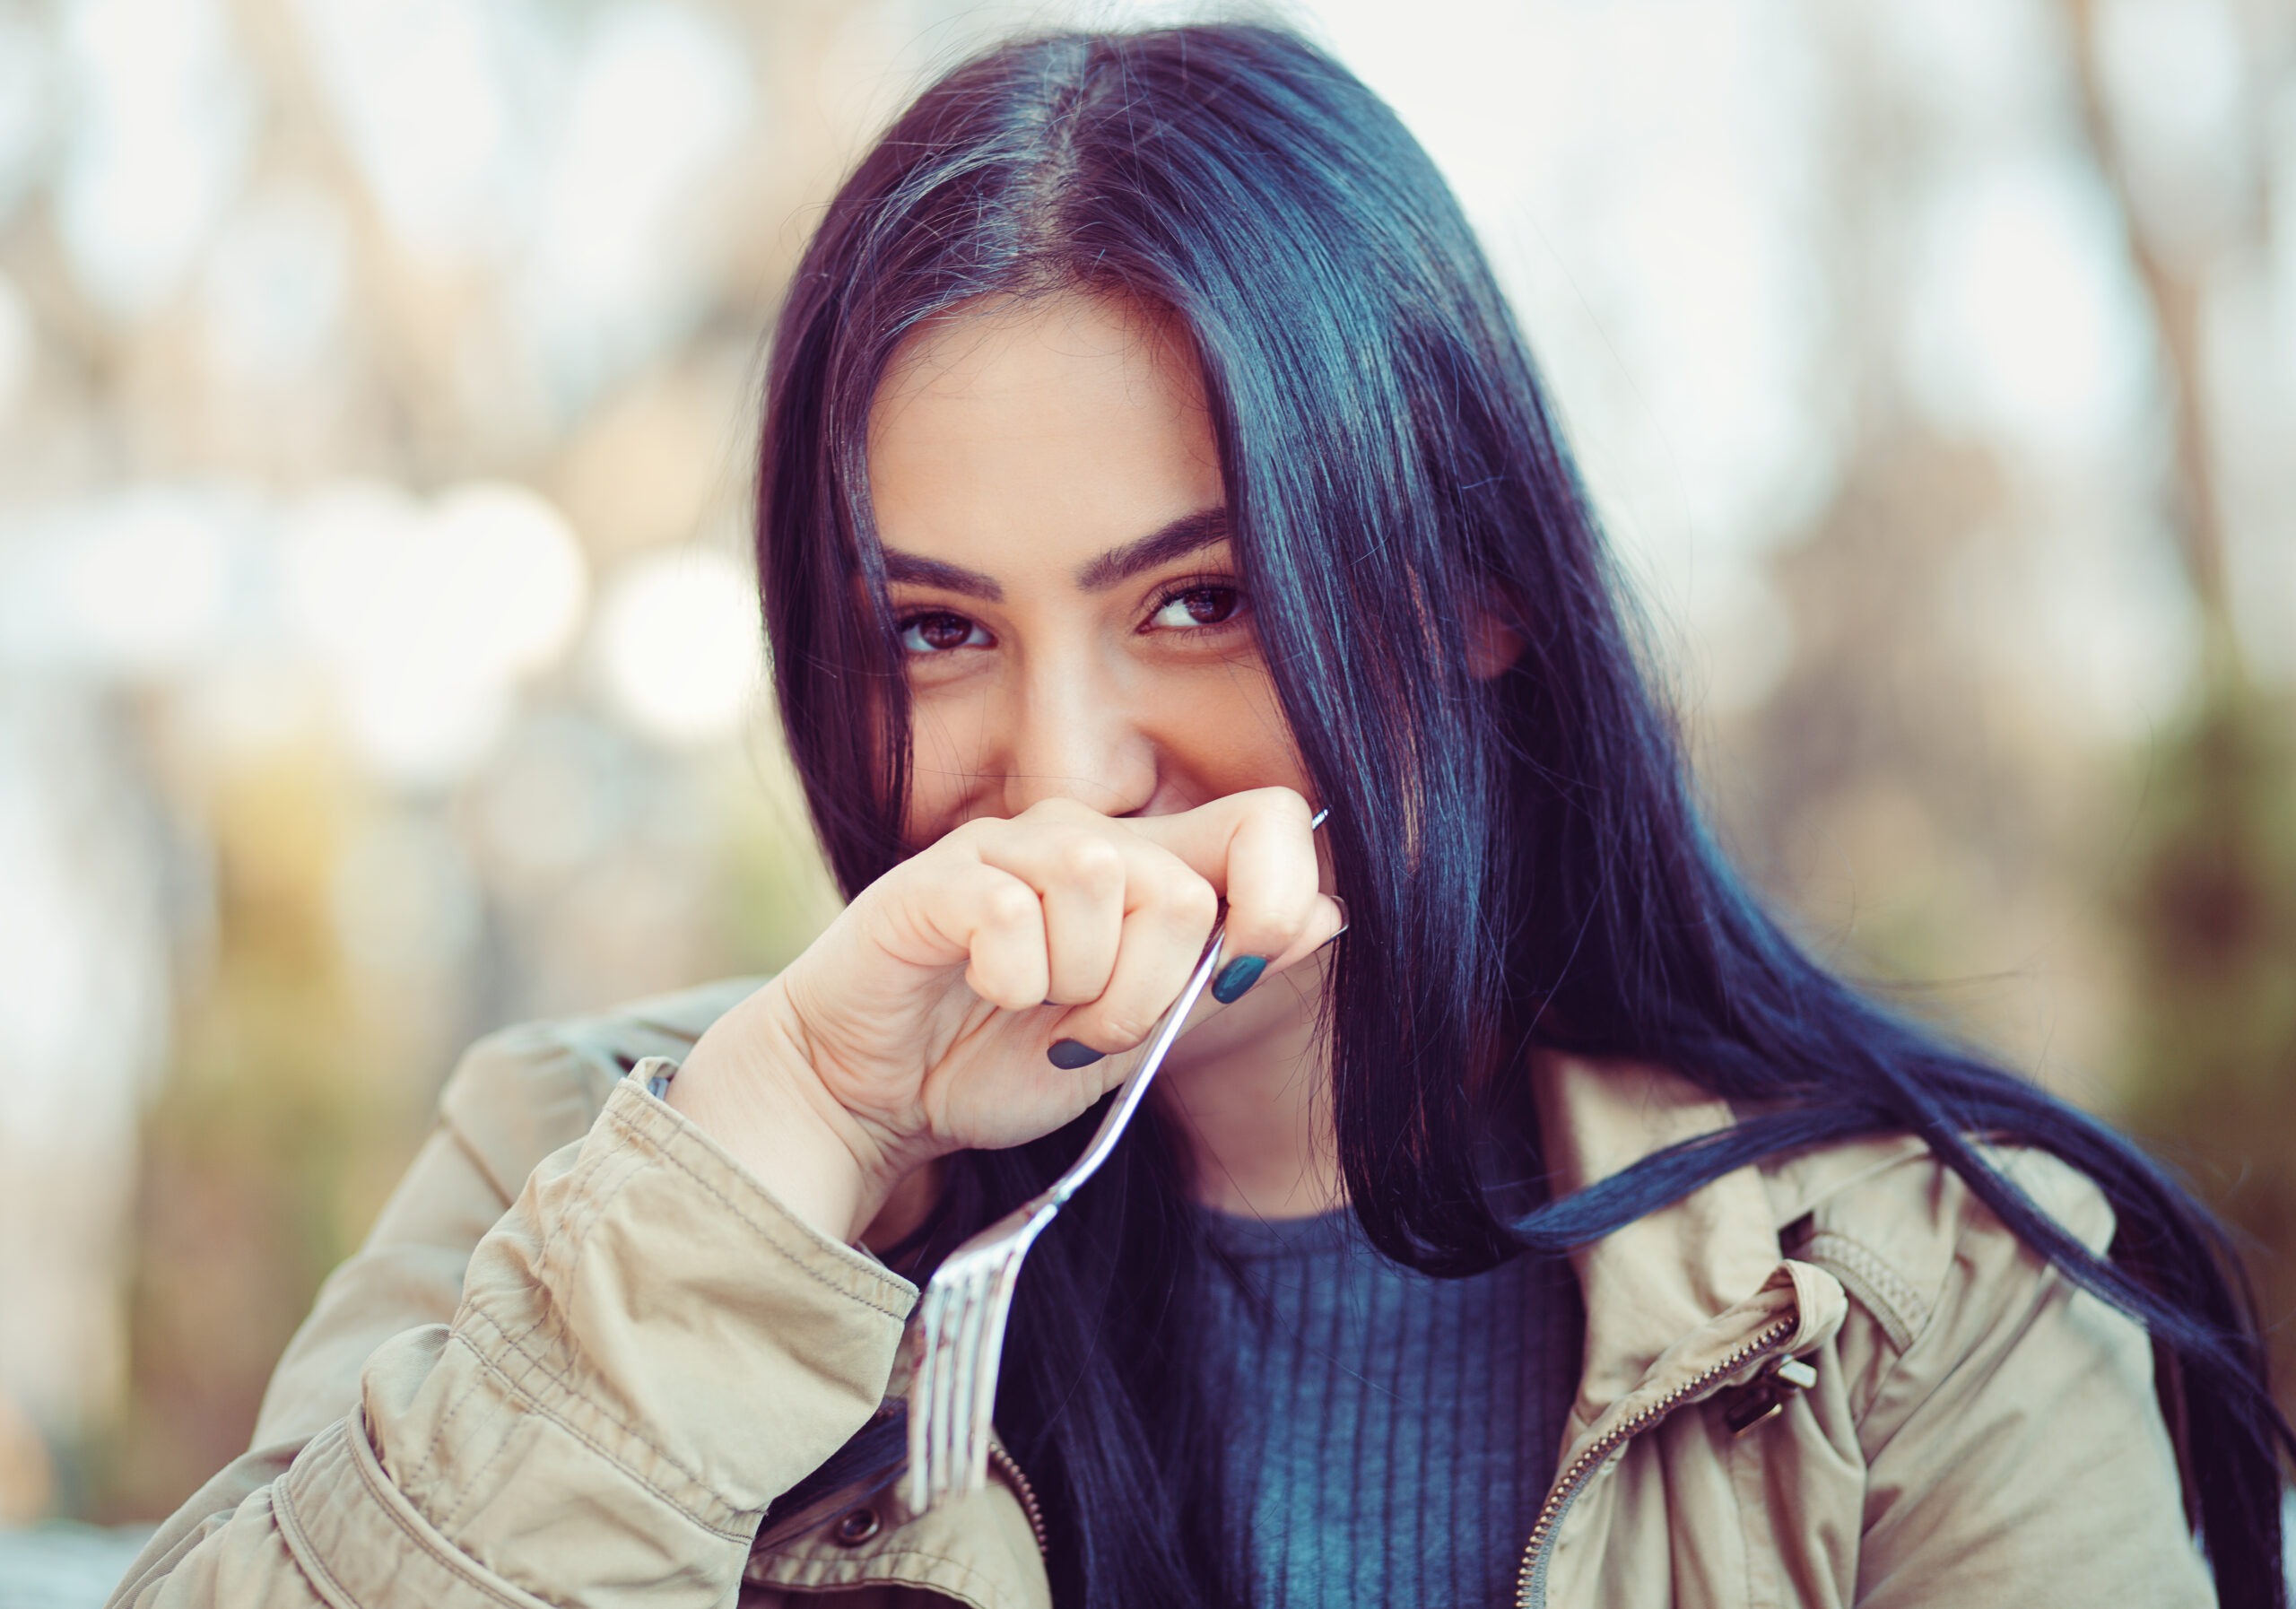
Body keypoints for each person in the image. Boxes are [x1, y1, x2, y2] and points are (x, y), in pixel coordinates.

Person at [109, 22, 2285, 1609]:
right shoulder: (587, 1178)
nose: (1060, 778)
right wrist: (775, 1159)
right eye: (935, 632)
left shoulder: (1918, 1301)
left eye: (1198, 597)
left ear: (1475, 592)